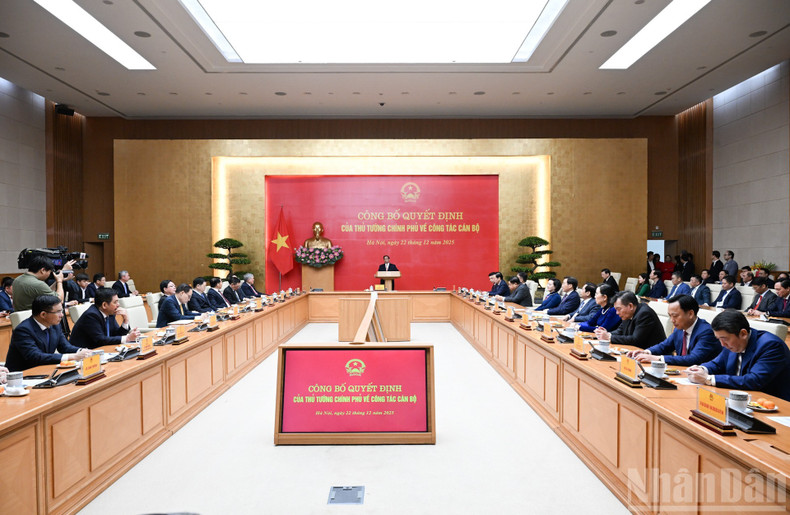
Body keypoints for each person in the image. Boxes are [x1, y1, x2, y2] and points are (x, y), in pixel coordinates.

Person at [686, 310, 790, 401]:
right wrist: (701, 369)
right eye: (719, 339)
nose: (722, 344)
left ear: (743, 334)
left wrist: (708, 379)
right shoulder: (733, 342)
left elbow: (754, 380)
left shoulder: (771, 345)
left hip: (771, 405)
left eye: (724, 339)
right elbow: (717, 364)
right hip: (741, 399)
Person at [627, 295, 721, 366]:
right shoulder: (679, 328)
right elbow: (665, 346)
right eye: (670, 316)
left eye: (675, 316)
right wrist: (646, 352)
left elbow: (693, 359)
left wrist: (656, 358)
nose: (672, 320)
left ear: (690, 314)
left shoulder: (706, 332)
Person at [4, 295, 92, 371]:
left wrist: (82, 351)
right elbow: (35, 357)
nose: (61, 315)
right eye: (58, 312)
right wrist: (73, 357)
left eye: (61, 311)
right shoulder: (23, 330)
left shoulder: (55, 325)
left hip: (45, 369)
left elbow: (65, 347)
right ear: (43, 314)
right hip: (24, 375)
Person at [69, 288, 140, 349]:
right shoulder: (91, 315)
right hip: (84, 356)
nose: (118, 305)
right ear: (104, 305)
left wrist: (125, 321)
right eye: (115, 302)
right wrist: (127, 338)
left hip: (102, 351)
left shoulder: (110, 313)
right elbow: (100, 340)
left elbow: (116, 335)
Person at [594, 291, 665, 349]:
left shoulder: (644, 314)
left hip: (653, 355)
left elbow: (636, 340)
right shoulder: (628, 314)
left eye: (619, 309)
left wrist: (609, 337)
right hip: (636, 351)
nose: (617, 313)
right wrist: (606, 334)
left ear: (630, 306)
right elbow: (620, 331)